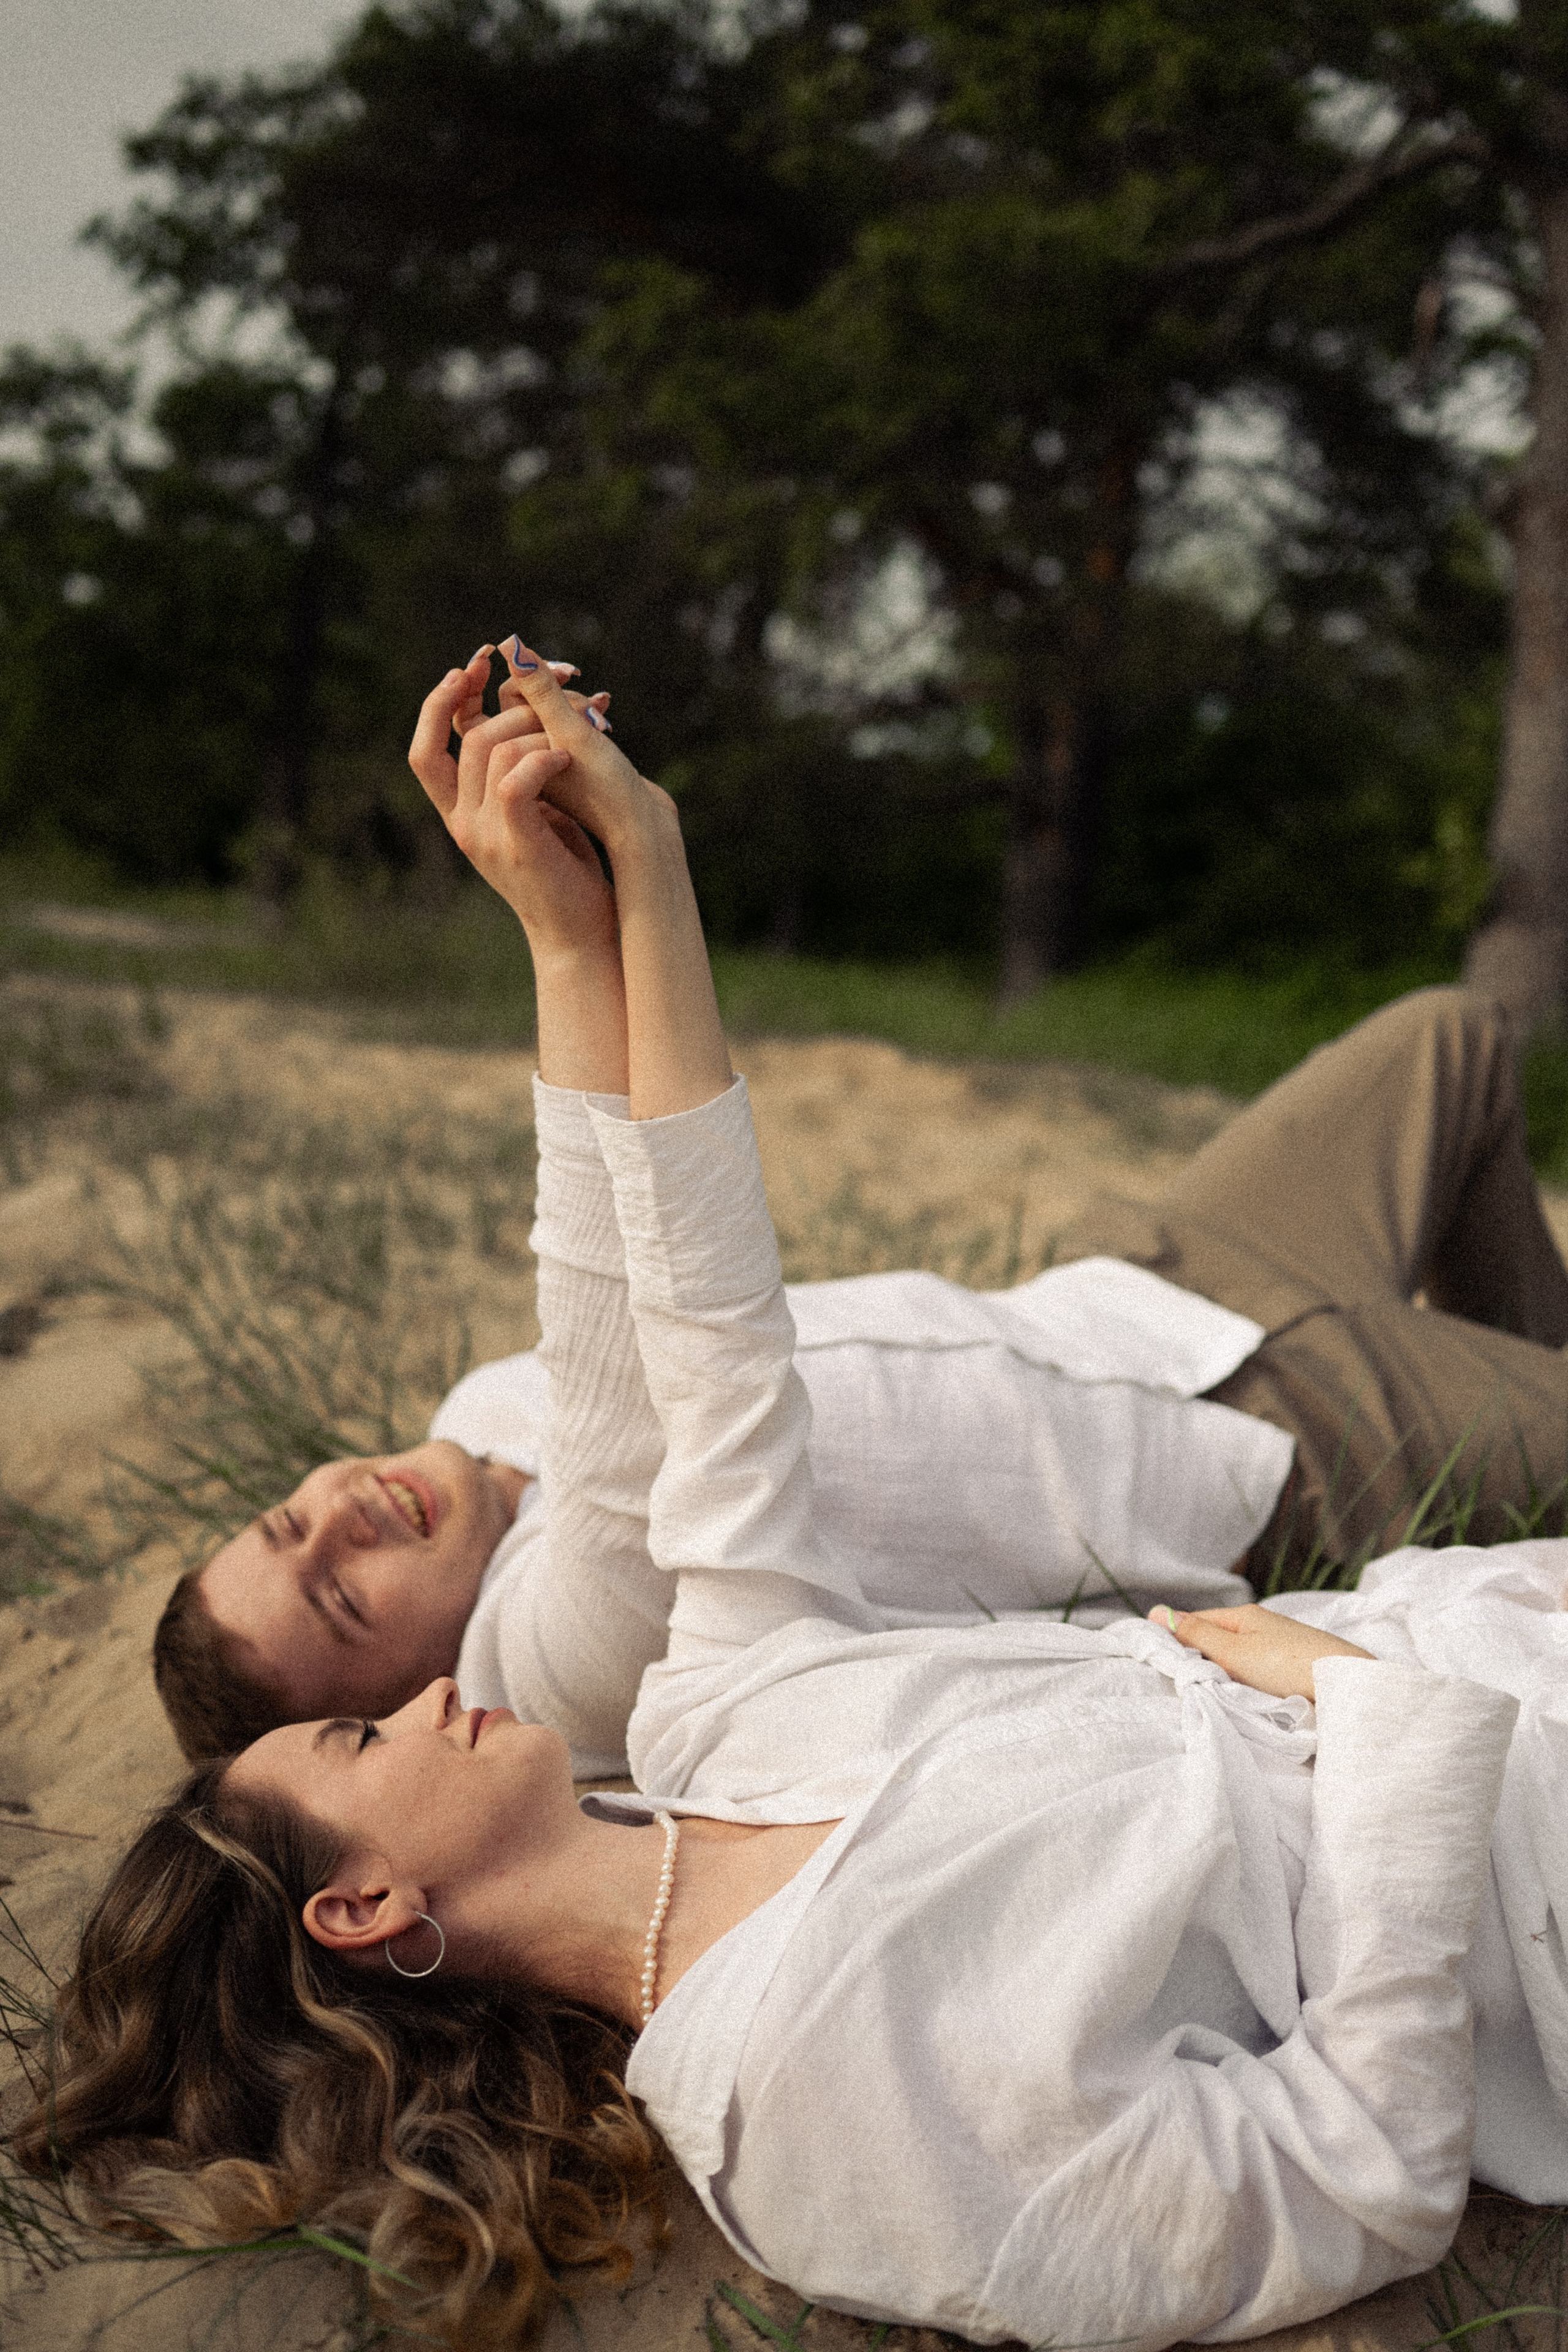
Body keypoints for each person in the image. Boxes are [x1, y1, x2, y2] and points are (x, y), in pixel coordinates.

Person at [18, 644, 1568, 2352]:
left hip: (1473, 1600)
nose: (436, 1697)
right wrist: (1380, 1733)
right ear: (366, 1907)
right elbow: (1356, 2182)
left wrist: (621, 889)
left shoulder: (723, 1722)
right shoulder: (807, 2113)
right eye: (365, 1739)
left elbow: (703, 1330)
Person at [153, 639, 1568, 1773]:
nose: (344, 1518)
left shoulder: (476, 1408)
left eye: (291, 1522)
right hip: (1268, 1449)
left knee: (1443, 1044)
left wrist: (574, 899)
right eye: (342, 1600)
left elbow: (602, 1227)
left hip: (1136, 1294)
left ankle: (1530, 1407)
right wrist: (596, 913)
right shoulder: (550, 1663)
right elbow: (621, 1334)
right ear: (414, 1703)